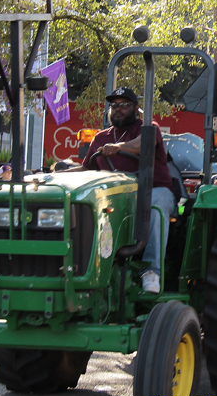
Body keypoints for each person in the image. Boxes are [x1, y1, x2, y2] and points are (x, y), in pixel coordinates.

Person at [69, 87, 175, 294]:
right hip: (118, 198)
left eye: (124, 105)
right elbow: (86, 167)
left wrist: (119, 147)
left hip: (154, 190)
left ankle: (151, 271)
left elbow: (145, 144)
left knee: (153, 207)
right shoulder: (101, 138)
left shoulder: (148, 128)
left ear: (136, 108)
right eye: (114, 105)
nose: (118, 109)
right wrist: (57, 172)